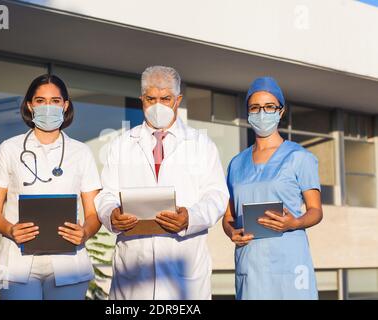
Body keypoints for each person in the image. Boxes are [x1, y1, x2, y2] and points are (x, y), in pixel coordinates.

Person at [95, 65, 229, 300]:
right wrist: (111, 214)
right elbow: (106, 194)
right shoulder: (121, 144)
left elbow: (216, 195)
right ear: (141, 100)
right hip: (134, 267)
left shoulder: (201, 144)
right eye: (151, 99)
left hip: (184, 267)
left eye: (165, 98)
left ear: (178, 100)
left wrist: (191, 217)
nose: (158, 105)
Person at [0, 74, 101, 300]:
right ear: (30, 105)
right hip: (18, 261)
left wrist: (85, 232)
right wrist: (10, 229)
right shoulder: (9, 149)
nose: (48, 107)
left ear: (65, 106)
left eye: (55, 101)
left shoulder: (81, 152)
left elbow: (93, 213)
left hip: (69, 263)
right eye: (40, 101)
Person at [223, 76, 323, 300]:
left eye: (269, 107)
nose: (262, 113)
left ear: (280, 111)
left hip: (290, 262)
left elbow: (315, 210)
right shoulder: (236, 163)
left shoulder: (299, 157)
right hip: (250, 262)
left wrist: (294, 222)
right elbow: (228, 216)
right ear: (248, 113)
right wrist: (232, 232)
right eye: (255, 108)